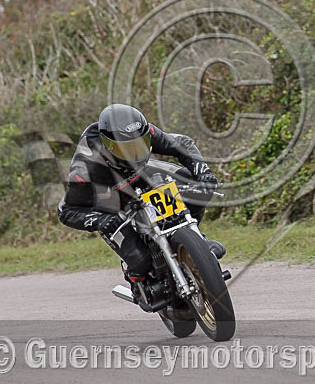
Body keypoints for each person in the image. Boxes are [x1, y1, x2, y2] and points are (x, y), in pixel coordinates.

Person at [57, 104, 225, 283]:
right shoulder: (84, 169)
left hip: (142, 174)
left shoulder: (146, 131)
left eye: (140, 145)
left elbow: (183, 143)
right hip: (109, 194)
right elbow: (66, 211)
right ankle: (138, 281)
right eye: (126, 149)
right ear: (108, 146)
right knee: (140, 264)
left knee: (196, 185)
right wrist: (100, 220)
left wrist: (204, 173)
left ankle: (196, 238)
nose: (135, 153)